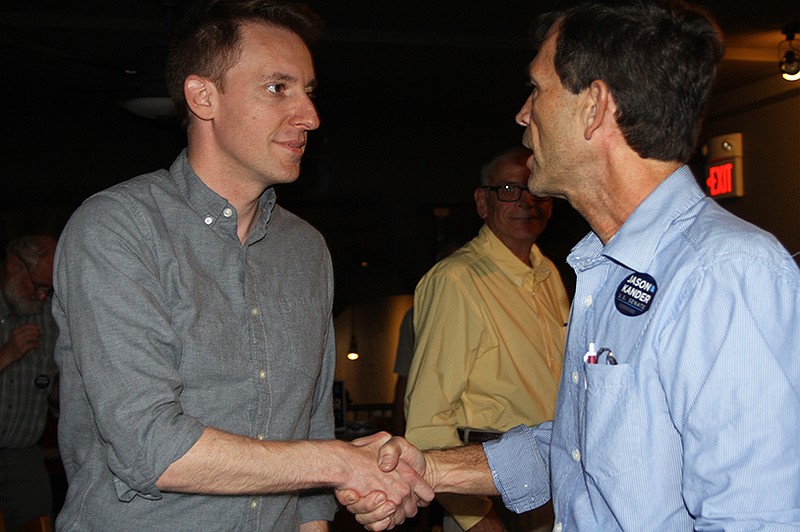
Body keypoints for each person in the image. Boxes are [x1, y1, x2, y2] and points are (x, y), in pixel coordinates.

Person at [339, 1, 800, 530]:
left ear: (594, 107)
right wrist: (432, 468)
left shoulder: (726, 273)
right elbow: (575, 447)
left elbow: (756, 516)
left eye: (537, 89)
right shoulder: (604, 269)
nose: (522, 113)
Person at [52, 1, 431, 530]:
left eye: (309, 91)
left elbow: (310, 423)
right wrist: (343, 462)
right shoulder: (117, 229)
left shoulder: (307, 249)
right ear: (203, 96)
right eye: (279, 88)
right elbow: (150, 446)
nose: (310, 116)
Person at [404, 147, 569, 532]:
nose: (527, 201)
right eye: (510, 188)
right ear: (483, 201)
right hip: (492, 495)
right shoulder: (456, 281)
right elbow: (427, 420)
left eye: (537, 189)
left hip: (555, 486)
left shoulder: (550, 275)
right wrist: (475, 515)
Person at [0, 234, 58, 531]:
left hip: (25, 454)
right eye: (37, 286)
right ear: (13, 265)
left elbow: (55, 384)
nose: (40, 297)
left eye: (48, 290)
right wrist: (7, 354)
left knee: (39, 522)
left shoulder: (49, 317)